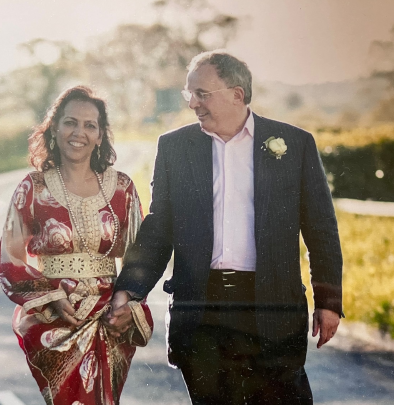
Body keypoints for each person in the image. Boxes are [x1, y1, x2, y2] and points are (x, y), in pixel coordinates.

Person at [104, 50, 343, 404]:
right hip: (202, 311)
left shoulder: (295, 144)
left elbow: (320, 227)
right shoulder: (174, 147)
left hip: (273, 309)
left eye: (202, 93)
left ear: (237, 94)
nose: (193, 103)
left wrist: (329, 300)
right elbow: (159, 228)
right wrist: (129, 290)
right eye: (190, 94)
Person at [0, 85, 153, 405]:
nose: (78, 132)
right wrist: (50, 296)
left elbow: (142, 257)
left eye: (89, 125)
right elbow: (9, 257)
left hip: (110, 320)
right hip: (55, 321)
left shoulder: (122, 188)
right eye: (70, 122)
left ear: (100, 136)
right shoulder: (33, 187)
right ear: (54, 128)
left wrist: (129, 304)